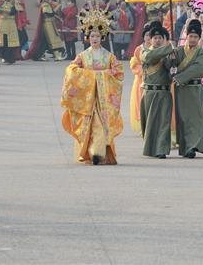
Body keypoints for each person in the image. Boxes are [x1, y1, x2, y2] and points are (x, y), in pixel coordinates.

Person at [60, 9, 124, 165]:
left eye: (97, 36)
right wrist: (91, 76)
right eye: (92, 36)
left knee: (101, 125)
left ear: (102, 37)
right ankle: (93, 152)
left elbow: (119, 73)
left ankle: (98, 153)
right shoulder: (83, 56)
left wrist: (102, 75)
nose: (95, 38)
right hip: (88, 98)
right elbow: (71, 70)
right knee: (90, 125)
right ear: (87, 38)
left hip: (103, 100)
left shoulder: (109, 56)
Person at [169, 19, 203, 158]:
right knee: (183, 119)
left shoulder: (202, 53)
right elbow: (170, 66)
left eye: (195, 37)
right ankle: (186, 147)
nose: (192, 39)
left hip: (195, 89)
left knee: (195, 119)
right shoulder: (179, 51)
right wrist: (171, 54)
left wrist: (179, 78)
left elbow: (199, 69)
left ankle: (193, 146)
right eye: (190, 36)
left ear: (199, 38)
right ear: (186, 36)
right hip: (182, 91)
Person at [139, 25, 175, 159]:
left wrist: (172, 60)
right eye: (155, 38)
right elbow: (151, 58)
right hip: (150, 93)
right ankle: (151, 148)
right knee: (151, 122)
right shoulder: (145, 52)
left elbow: (171, 67)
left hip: (164, 93)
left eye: (161, 38)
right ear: (150, 39)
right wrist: (169, 48)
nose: (158, 40)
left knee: (164, 122)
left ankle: (161, 149)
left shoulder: (167, 52)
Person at [128, 21, 160, 134]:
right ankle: (144, 124)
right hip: (141, 80)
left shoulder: (156, 48)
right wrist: (143, 71)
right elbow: (134, 64)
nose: (148, 38)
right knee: (140, 103)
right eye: (146, 35)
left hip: (154, 79)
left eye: (149, 35)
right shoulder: (139, 49)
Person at [0, 0, 22, 64]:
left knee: (10, 41)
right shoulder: (1, 1)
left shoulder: (14, 1)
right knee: (3, 40)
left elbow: (14, 11)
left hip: (11, 23)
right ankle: (3, 56)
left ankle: (10, 58)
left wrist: (2, 10)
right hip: (3, 23)